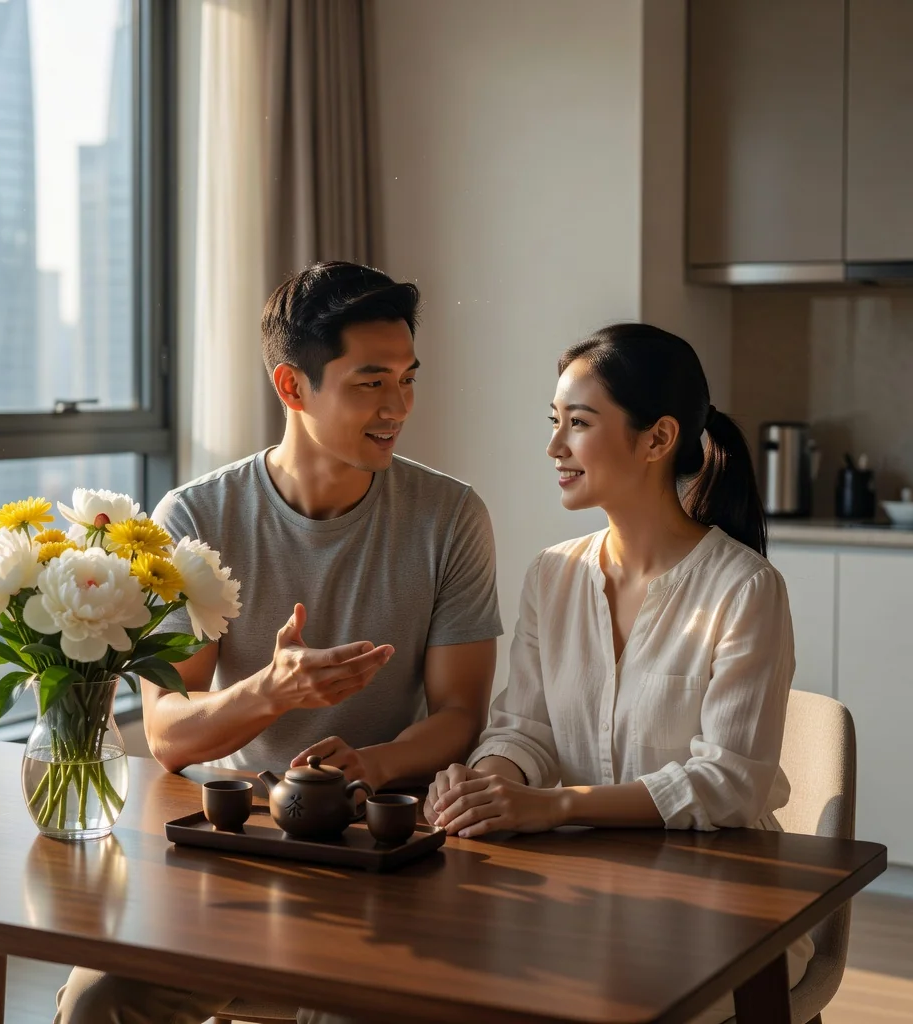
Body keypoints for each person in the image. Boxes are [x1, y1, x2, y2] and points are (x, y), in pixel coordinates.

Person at [55, 262, 503, 1024]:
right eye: (370, 383)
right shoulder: (195, 518)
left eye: (407, 379)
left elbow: (461, 714)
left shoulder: (449, 516)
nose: (398, 406)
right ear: (293, 387)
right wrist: (274, 690)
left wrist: (371, 765)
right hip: (235, 849)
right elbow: (167, 734)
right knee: (99, 1001)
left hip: (384, 853)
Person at [427, 323, 814, 1024]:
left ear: (658, 439)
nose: (554, 448)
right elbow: (525, 728)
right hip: (577, 893)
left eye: (578, 424)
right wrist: (492, 785)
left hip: (721, 908)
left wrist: (556, 806)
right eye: (554, 423)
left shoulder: (745, 589)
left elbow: (728, 784)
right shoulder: (553, 573)